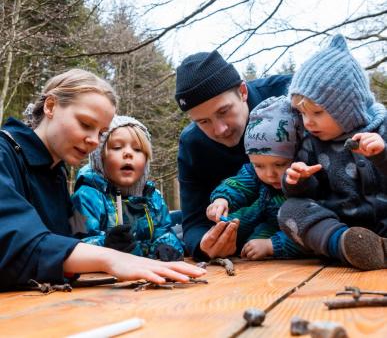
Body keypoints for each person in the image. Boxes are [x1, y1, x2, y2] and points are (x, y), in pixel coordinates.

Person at [0, 69, 205, 290]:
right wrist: (109, 257)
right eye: (86, 124)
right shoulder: (5, 155)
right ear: (50, 106)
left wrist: (111, 245)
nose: (94, 141)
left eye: (101, 133)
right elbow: (14, 242)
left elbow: (74, 230)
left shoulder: (56, 172)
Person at [278, 34, 387, 271]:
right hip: (345, 226)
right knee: (289, 210)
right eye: (302, 114)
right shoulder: (313, 142)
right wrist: (298, 180)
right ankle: (346, 246)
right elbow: (313, 192)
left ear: (347, 107)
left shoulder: (383, 130)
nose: (308, 122)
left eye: (316, 113)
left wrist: (382, 156)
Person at [175, 50, 291, 260]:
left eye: (224, 111)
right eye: (203, 122)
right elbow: (193, 222)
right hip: (247, 252)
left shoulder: (289, 96)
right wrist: (205, 246)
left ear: (243, 91)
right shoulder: (192, 144)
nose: (220, 129)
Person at [71, 115, 184, 261]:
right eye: (117, 147)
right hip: (102, 278)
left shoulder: (153, 198)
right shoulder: (85, 197)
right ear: (99, 158)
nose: (128, 153)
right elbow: (75, 244)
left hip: (146, 276)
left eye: (138, 149)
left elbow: (164, 233)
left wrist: (166, 248)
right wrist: (107, 245)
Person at [207, 96, 306, 260]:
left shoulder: (308, 185)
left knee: (255, 244)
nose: (269, 174)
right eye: (259, 165)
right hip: (259, 216)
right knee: (227, 226)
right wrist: (221, 200)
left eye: (280, 164)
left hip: (282, 233)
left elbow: (311, 230)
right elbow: (238, 184)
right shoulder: (254, 173)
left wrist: (271, 246)